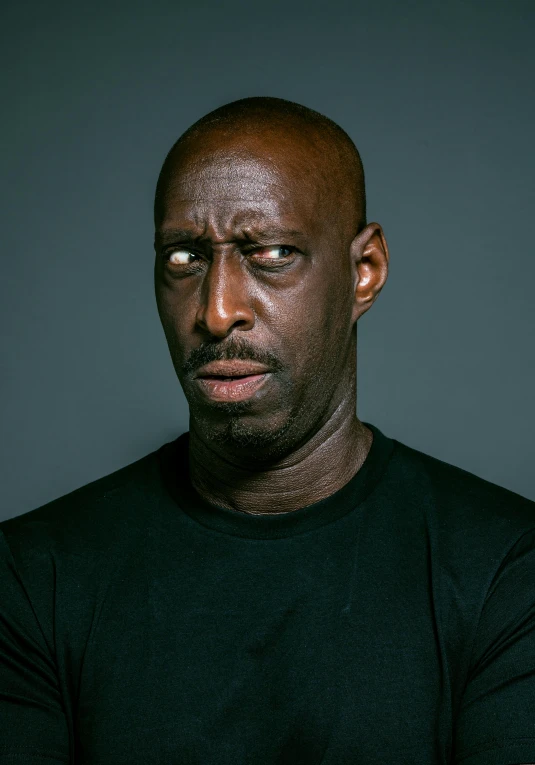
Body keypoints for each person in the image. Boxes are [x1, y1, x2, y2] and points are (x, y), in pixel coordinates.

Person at [1, 97, 534, 765]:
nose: (217, 310)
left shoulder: (510, 572)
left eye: (273, 252)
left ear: (363, 270)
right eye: (183, 258)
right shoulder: (29, 578)